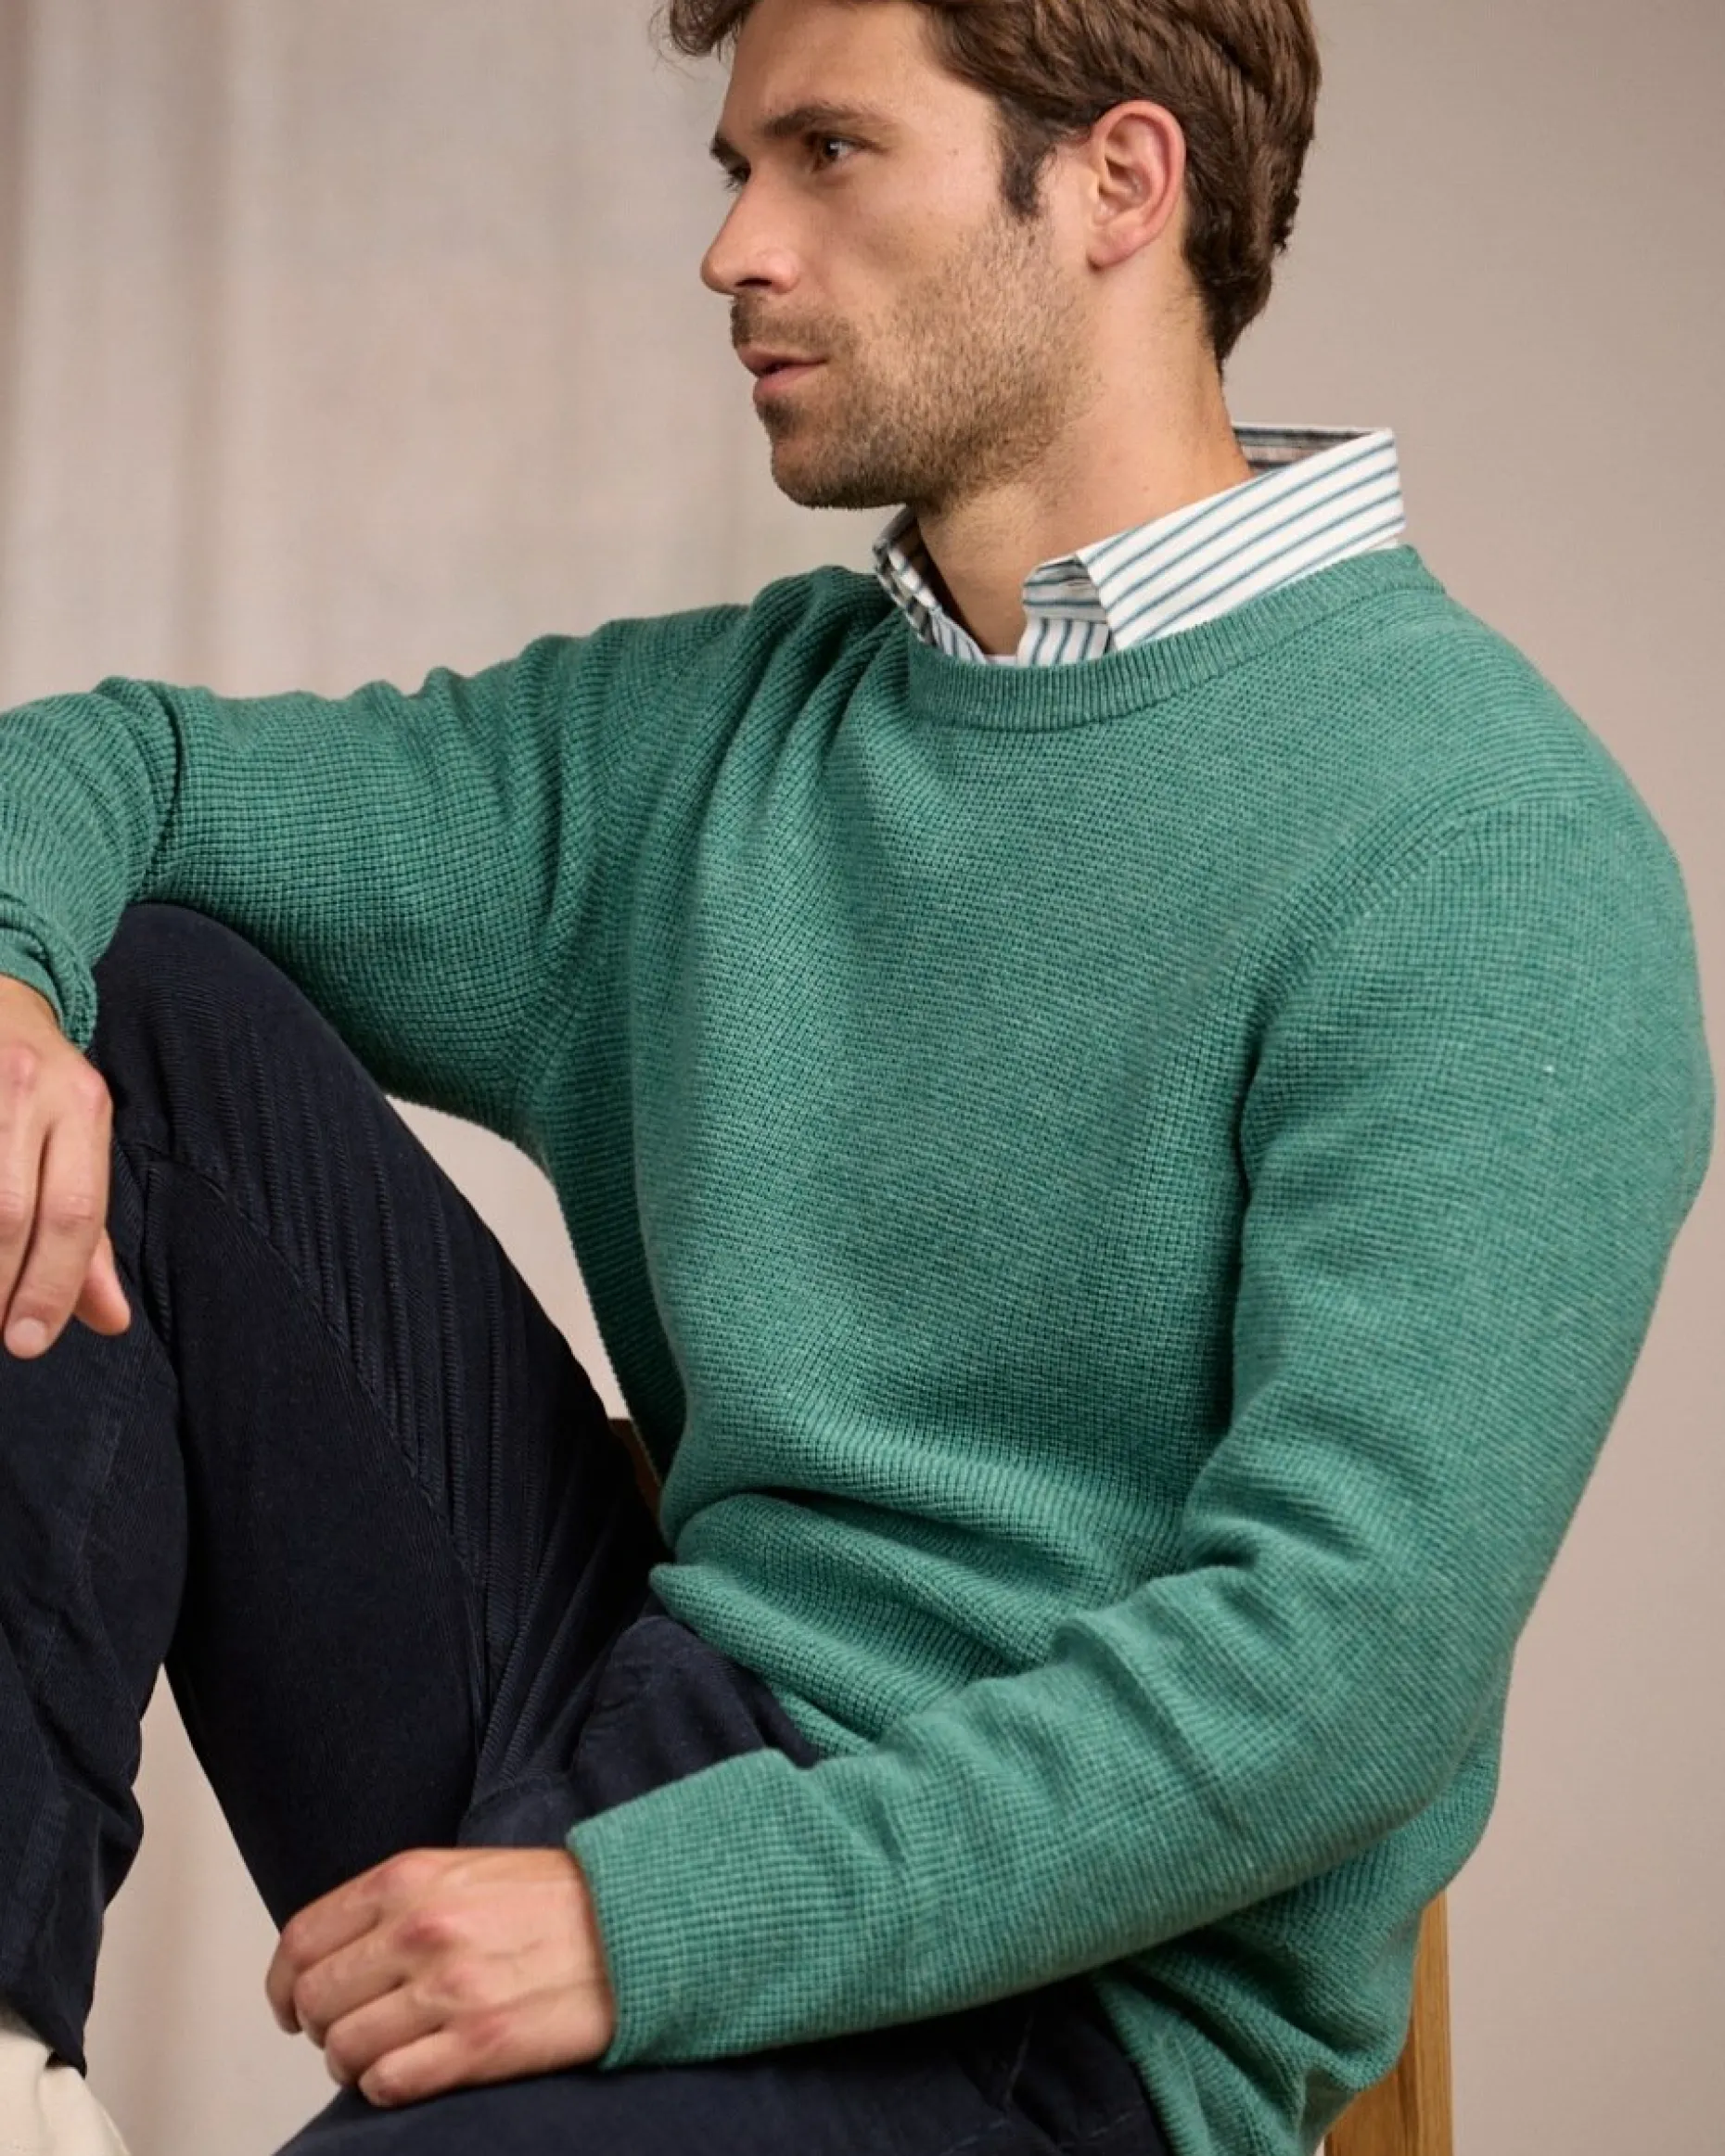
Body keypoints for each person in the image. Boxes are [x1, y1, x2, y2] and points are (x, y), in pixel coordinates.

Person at [0, 0, 1712, 2150]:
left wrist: (652, 1923)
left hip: (1056, 2012)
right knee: (103, 991)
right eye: (739, 168)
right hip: (630, 1718)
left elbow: (1344, 1668)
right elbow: (124, 770)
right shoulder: (720, 741)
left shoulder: (1482, 843)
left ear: (1119, 183)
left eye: (826, 153)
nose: (733, 245)